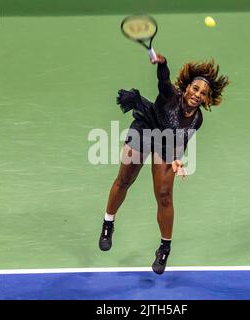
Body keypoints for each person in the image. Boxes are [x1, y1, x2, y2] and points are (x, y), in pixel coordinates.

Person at [99, 52, 229, 274]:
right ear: (186, 88)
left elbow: (180, 141)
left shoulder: (197, 120)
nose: (198, 94)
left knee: (165, 195)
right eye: (195, 88)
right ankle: (108, 223)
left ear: (207, 99)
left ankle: (164, 248)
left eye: (203, 93)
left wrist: (177, 160)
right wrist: (163, 64)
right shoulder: (170, 96)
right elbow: (163, 80)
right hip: (146, 127)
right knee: (125, 179)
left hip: (167, 142)